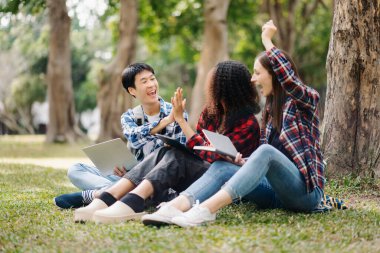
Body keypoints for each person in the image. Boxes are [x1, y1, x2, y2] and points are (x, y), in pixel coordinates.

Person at [165, 20, 327, 227]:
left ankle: (205, 210)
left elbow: (290, 80)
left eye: (258, 73)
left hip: (306, 195)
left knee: (266, 151)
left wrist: (266, 40)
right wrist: (244, 162)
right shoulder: (270, 111)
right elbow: (267, 162)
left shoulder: (306, 101)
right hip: (277, 195)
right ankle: (174, 208)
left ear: (275, 74)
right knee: (224, 165)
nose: (253, 79)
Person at [74, 60, 261, 224]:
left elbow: (214, 157)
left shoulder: (248, 123)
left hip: (219, 182)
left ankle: (126, 200)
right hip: (164, 171)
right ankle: (109, 197)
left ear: (224, 88)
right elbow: (199, 149)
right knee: (167, 152)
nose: (208, 86)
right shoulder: (210, 113)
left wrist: (179, 120)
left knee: (174, 155)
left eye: (212, 83)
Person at [54, 63, 187, 209]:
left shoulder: (176, 113)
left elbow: (178, 156)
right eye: (144, 81)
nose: (151, 85)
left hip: (160, 181)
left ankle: (99, 195)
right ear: (132, 90)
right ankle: (117, 193)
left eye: (152, 79)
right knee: (75, 169)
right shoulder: (129, 116)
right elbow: (135, 139)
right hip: (130, 177)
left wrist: (169, 119)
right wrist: (127, 173)